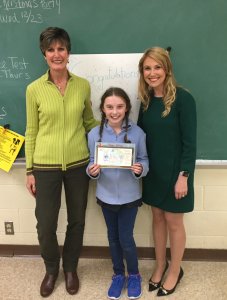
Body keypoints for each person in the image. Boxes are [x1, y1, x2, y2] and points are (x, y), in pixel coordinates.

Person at [25, 27, 98, 297]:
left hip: (79, 164)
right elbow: (31, 131)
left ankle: (70, 269)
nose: (57, 54)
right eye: (51, 49)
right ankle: (52, 269)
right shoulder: (33, 89)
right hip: (44, 168)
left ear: (68, 52)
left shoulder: (82, 85)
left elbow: (89, 123)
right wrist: (29, 170)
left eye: (61, 49)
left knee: (77, 220)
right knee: (45, 224)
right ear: (44, 54)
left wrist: (117, 129)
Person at [137, 47, 197, 297]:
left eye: (157, 67)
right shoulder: (146, 101)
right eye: (147, 68)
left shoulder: (184, 99)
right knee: (157, 218)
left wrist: (184, 176)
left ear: (167, 69)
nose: (152, 73)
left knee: (174, 221)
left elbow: (190, 143)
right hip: (153, 173)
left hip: (175, 174)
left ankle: (175, 269)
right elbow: (140, 137)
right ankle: (160, 265)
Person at [87, 87, 149, 300]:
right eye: (110, 107)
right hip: (105, 197)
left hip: (130, 197)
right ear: (102, 109)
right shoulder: (95, 134)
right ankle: (117, 274)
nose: (115, 111)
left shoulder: (137, 133)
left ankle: (133, 274)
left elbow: (143, 160)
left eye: (120, 106)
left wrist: (141, 170)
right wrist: (92, 171)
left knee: (126, 238)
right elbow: (91, 162)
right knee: (112, 238)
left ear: (127, 108)